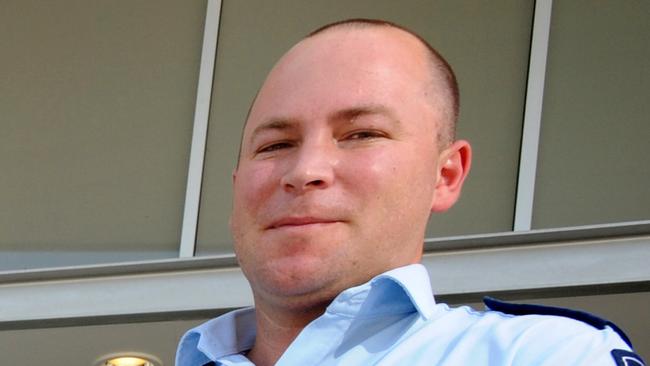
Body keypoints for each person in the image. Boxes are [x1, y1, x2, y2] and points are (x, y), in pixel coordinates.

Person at [176, 19, 644, 366]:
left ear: (446, 175)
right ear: (237, 187)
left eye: (362, 134)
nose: (305, 171)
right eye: (276, 144)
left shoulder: (546, 355)